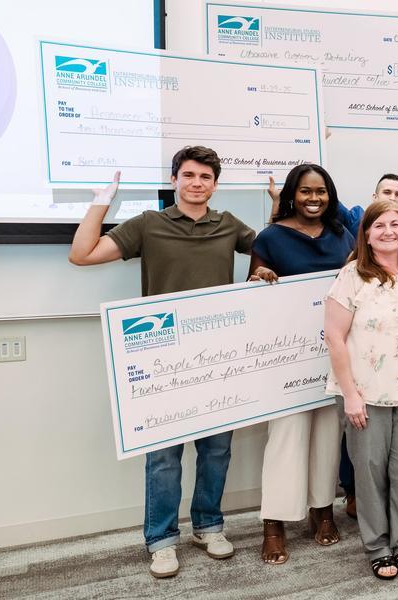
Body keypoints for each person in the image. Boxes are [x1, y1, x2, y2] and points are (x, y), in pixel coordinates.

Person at [68, 146, 255, 579]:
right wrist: (101, 202)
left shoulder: (228, 224)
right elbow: (82, 254)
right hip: (162, 359)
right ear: (174, 180)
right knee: (164, 457)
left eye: (205, 177)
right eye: (188, 175)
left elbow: (277, 249)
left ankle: (208, 526)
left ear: (215, 185)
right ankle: (162, 540)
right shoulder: (149, 224)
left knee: (216, 450)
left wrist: (277, 218)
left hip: (218, 358)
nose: (196, 183)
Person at [322, 201, 398, 581]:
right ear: (366, 234)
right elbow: (334, 336)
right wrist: (350, 394)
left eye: (395, 224)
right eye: (379, 225)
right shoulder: (352, 276)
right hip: (365, 394)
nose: (388, 231)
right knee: (370, 470)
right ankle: (378, 548)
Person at [246, 164, 355, 565]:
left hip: (332, 354)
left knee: (328, 434)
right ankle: (274, 524)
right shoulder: (271, 237)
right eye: (306, 191)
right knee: (286, 438)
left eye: (321, 191)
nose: (314, 198)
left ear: (330, 195)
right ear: (292, 194)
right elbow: (252, 291)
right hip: (286, 360)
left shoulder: (342, 235)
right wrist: (260, 276)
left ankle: (322, 511)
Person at [266, 128, 398, 247]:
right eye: (387, 192)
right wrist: (318, 147)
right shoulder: (354, 219)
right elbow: (323, 194)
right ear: (374, 197)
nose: (392, 197)